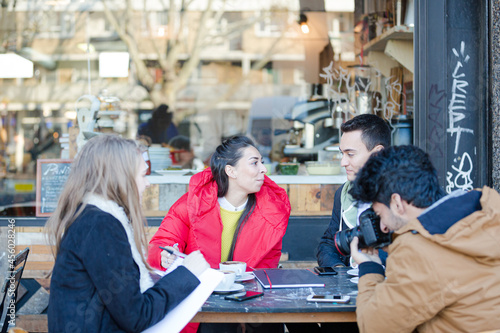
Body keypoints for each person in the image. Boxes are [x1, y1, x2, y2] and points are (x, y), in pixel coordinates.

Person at [45, 134, 209, 332]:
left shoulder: (91, 218)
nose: (147, 183)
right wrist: (186, 273)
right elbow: (136, 315)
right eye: (142, 175)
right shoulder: (101, 225)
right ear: (119, 178)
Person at [349, 145, 500, 333]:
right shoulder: (486, 209)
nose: (383, 227)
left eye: (380, 214)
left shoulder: (418, 250)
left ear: (397, 203)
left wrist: (370, 267)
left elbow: (375, 327)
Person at [148, 135, 291, 333]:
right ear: (230, 170)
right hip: (201, 300)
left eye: (262, 162)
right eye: (254, 163)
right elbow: (161, 243)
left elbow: (268, 265)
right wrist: (165, 255)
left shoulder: (271, 210)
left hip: (248, 298)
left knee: (269, 325)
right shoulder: (192, 204)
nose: (263, 169)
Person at [316, 114, 391, 268]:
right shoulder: (343, 193)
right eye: (341, 154)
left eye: (350, 154)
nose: (343, 162)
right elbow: (329, 243)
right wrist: (339, 269)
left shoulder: (402, 197)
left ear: (377, 153)